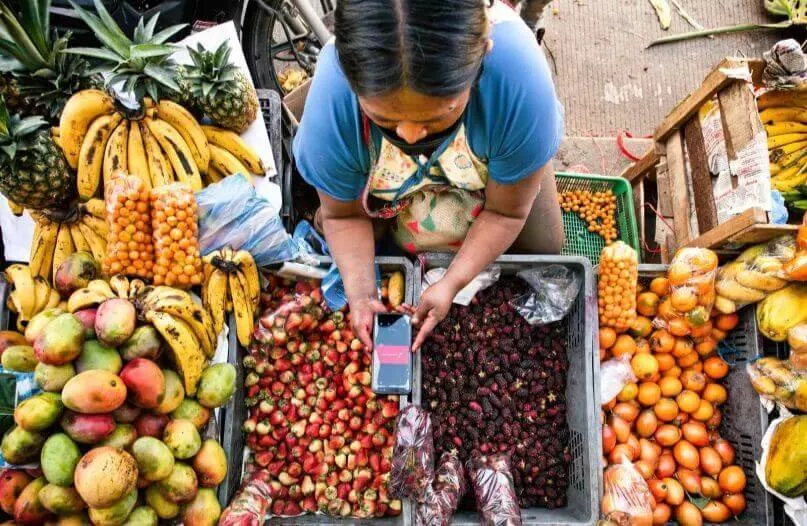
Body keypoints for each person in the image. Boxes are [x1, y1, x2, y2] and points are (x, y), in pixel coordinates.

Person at [293, 0, 565, 351]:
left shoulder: (517, 81)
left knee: (544, 246)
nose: (408, 135)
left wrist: (451, 282)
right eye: (385, 119)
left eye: (438, 116)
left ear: (483, 54)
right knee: (352, 236)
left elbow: (505, 212)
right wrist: (360, 294)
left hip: (485, 176)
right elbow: (343, 216)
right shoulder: (334, 98)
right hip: (388, 188)